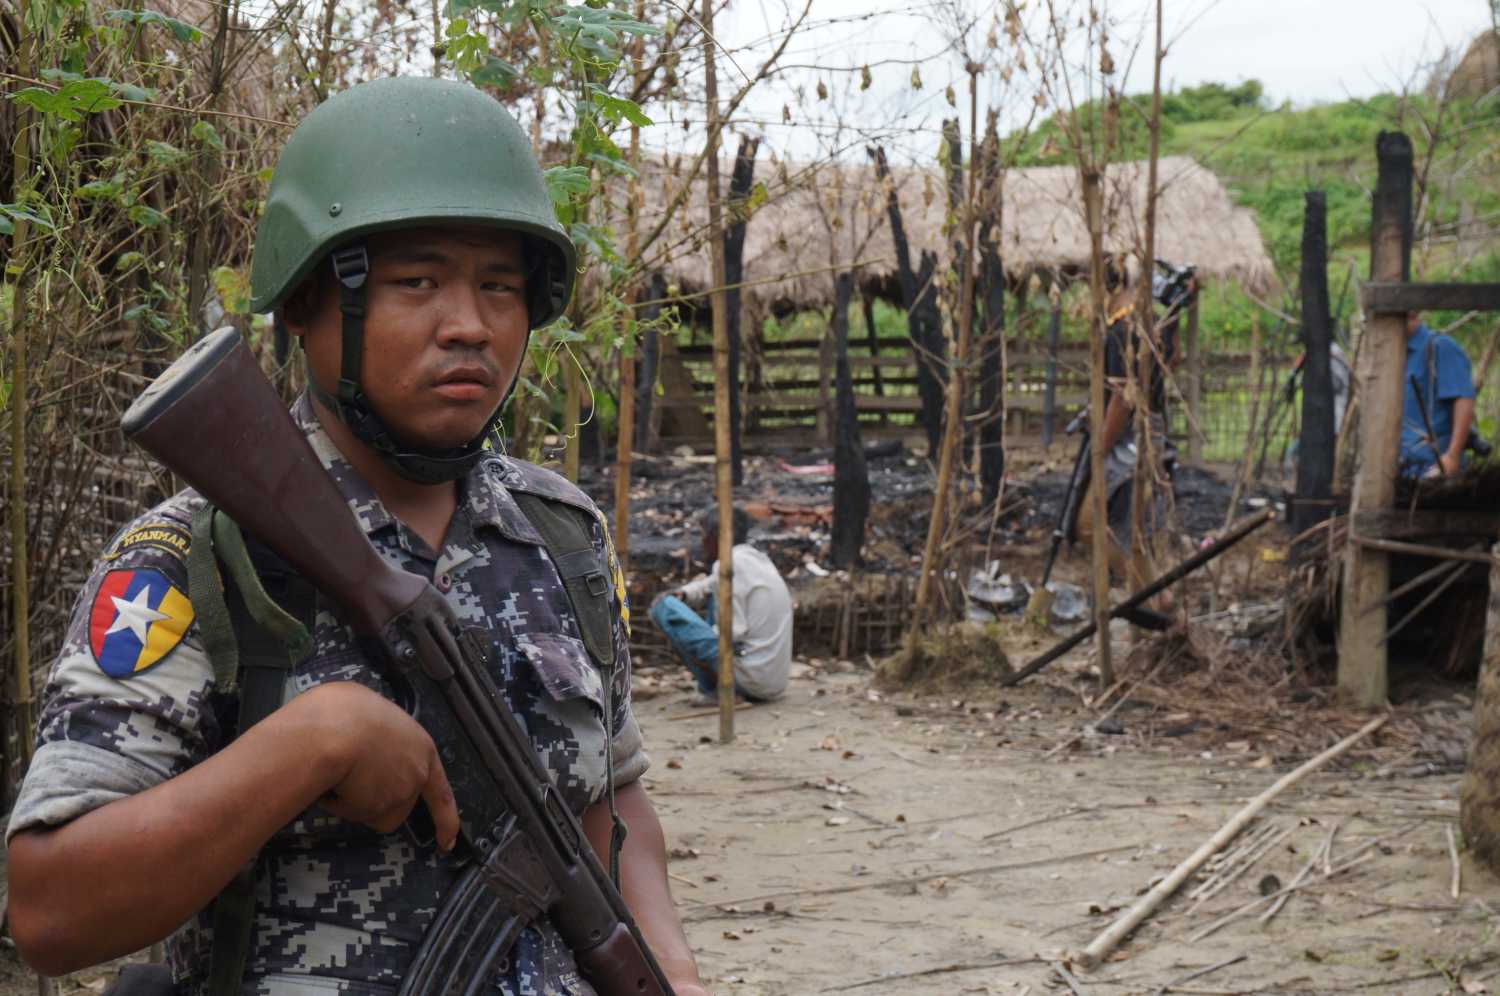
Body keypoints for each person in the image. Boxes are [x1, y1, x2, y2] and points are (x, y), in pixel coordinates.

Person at [7, 77, 708, 996]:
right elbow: (52, 911)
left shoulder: (560, 536)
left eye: (500, 286)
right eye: (417, 281)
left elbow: (611, 801)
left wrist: (675, 974)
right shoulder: (197, 563)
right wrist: (309, 745)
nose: (470, 325)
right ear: (305, 304)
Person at [1074, 256, 1185, 592]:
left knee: (1091, 524)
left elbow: (1124, 397)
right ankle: (1152, 600)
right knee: (1132, 529)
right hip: (1151, 435)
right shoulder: (1148, 325)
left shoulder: (1122, 329)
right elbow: (1171, 360)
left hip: (1129, 441)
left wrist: (1100, 447)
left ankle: (1154, 598)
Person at [648, 506, 792, 704]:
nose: (702, 542)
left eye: (704, 535)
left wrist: (696, 634)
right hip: (772, 682)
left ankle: (715, 689)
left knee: (663, 608)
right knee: (711, 596)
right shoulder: (756, 560)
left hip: (751, 680)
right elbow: (711, 584)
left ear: (716, 536)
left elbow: (734, 631)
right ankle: (717, 686)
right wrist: (685, 593)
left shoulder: (729, 564)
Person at [1400, 310, 1477, 478]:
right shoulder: (1395, 355)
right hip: (1401, 471)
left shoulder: (1440, 347)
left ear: (1411, 314)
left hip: (1433, 470)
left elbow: (1463, 400)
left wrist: (1452, 456)